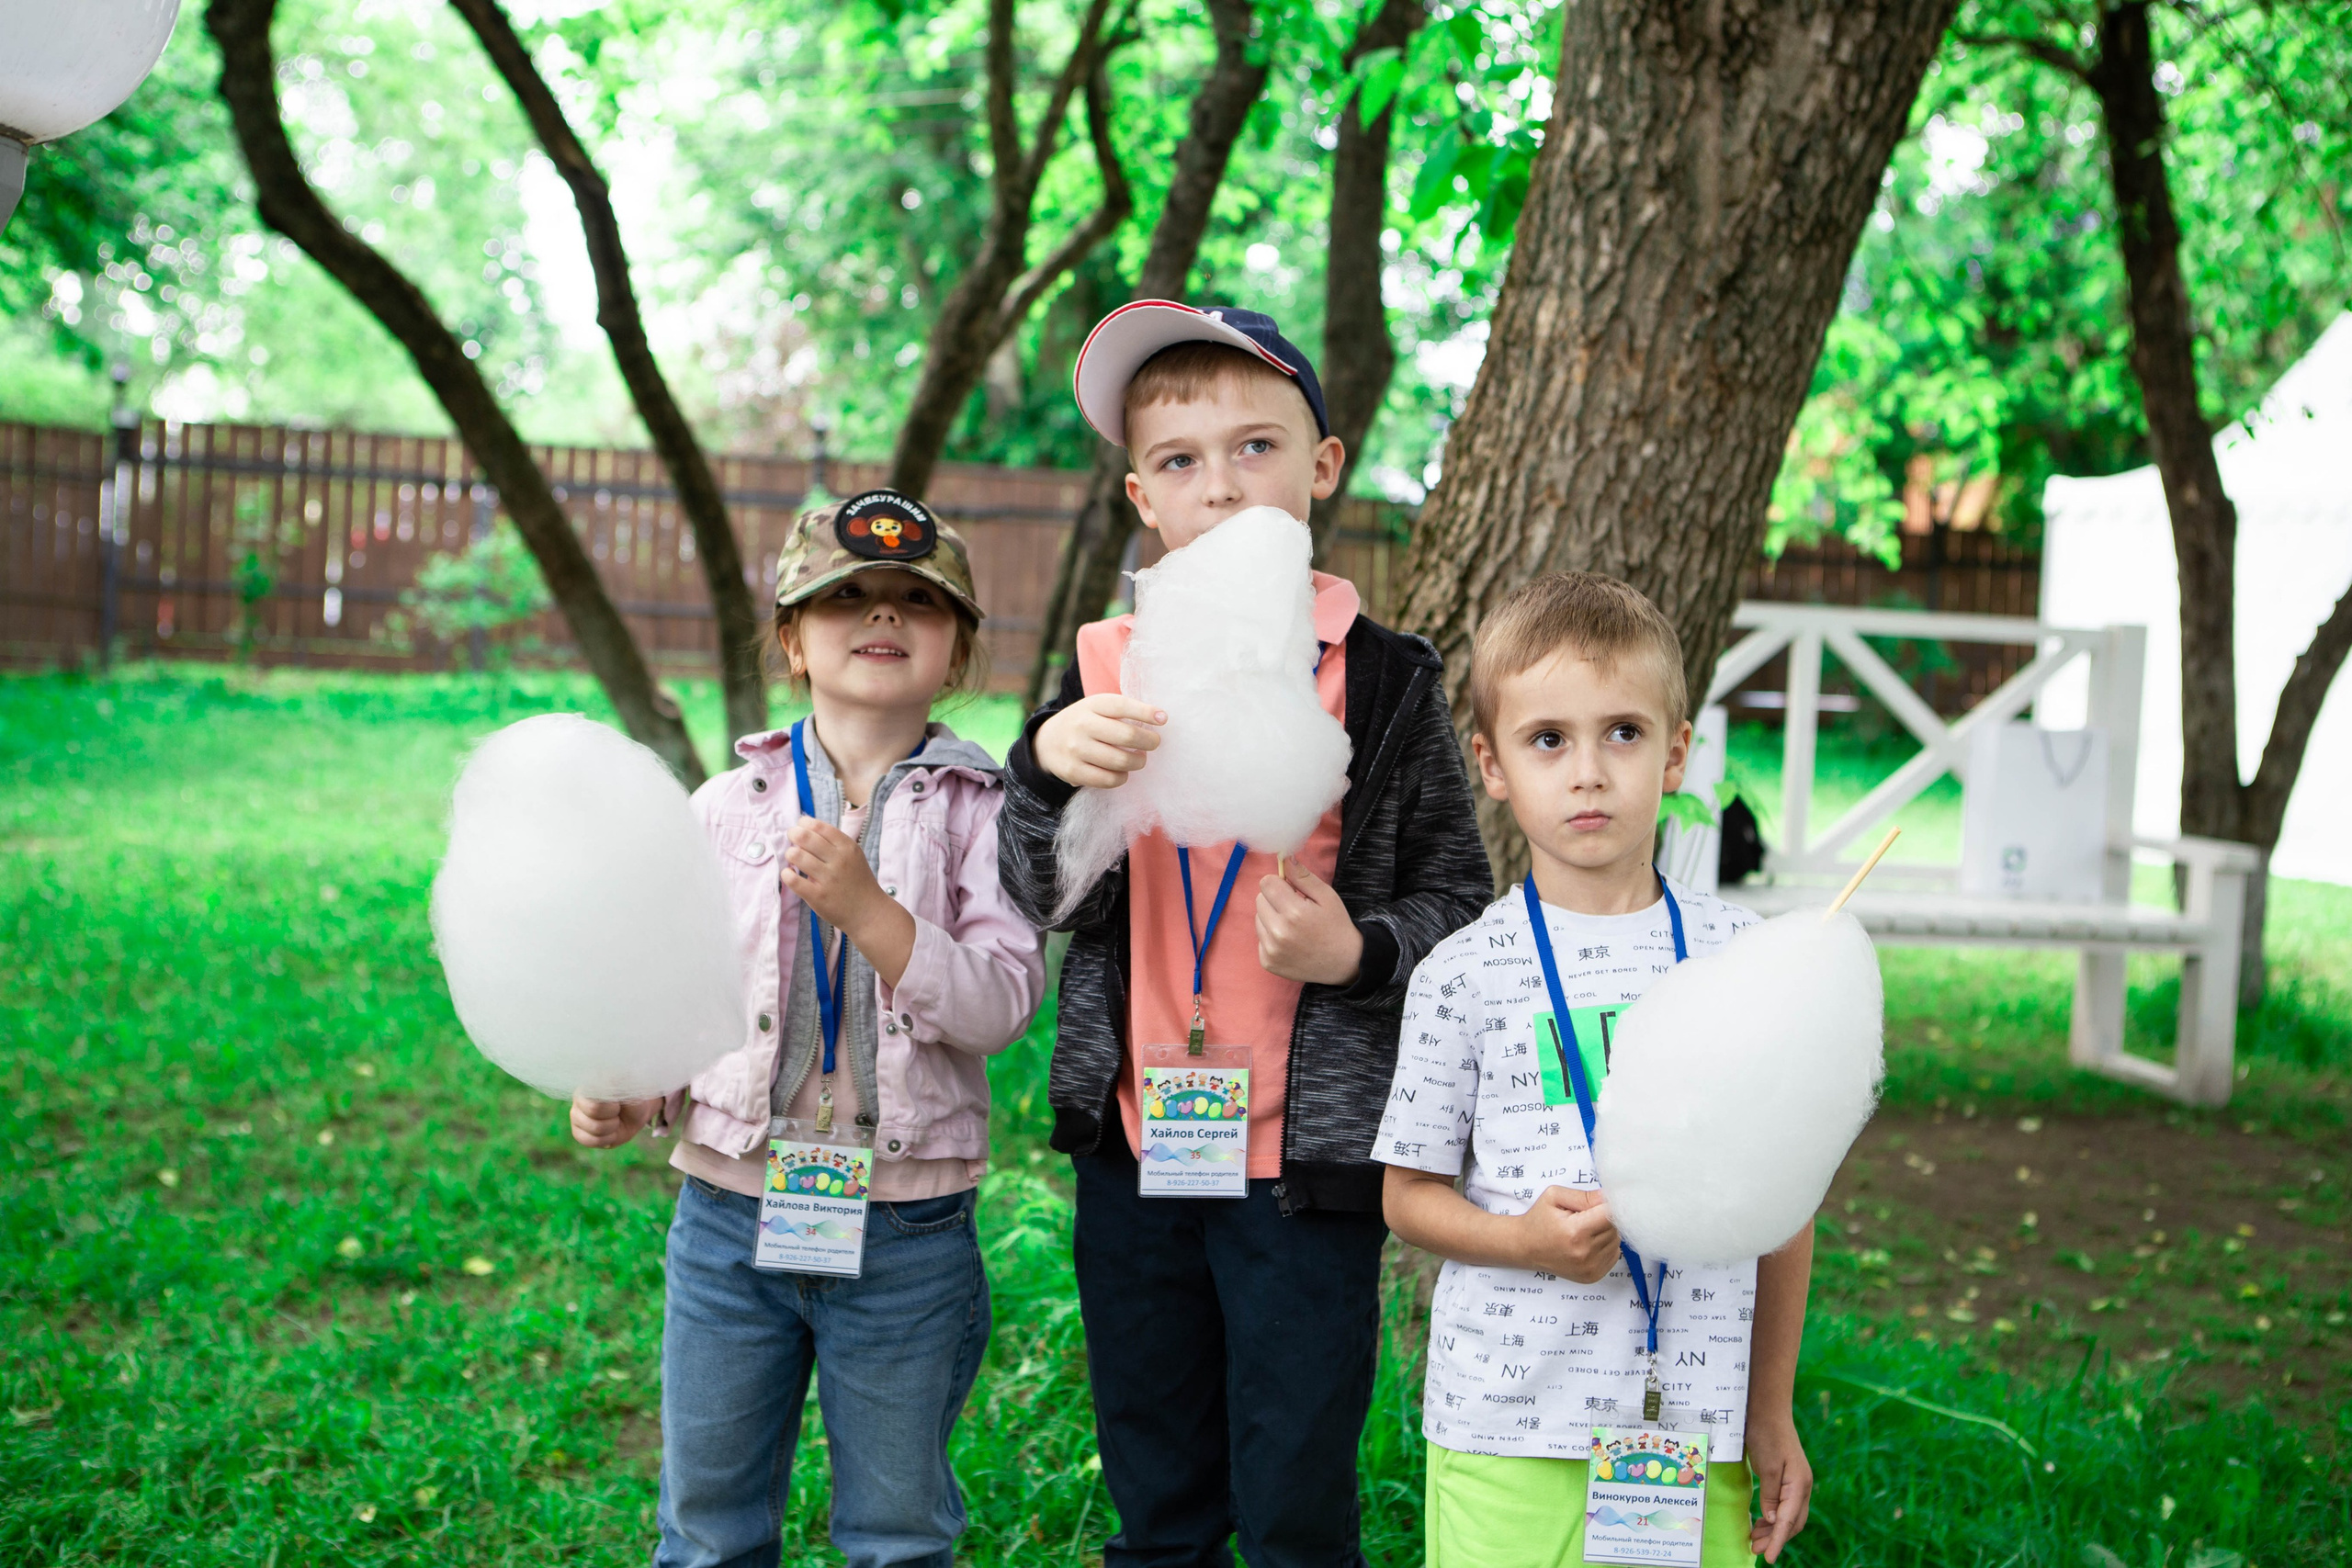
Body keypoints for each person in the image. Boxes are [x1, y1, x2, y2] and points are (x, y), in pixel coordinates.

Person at [998, 300, 1494, 1567]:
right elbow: (1037, 894)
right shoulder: (1106, 670)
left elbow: (1459, 901)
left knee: (1293, 1493)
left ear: (1321, 467)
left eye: (1255, 447)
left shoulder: (1384, 681)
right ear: (1141, 498)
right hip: (1139, 1146)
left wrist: (1357, 953)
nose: (1219, 486)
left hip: (1304, 1168)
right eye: (1179, 460)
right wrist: (1045, 771)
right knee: (1156, 1481)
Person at [571, 491, 1046, 1568]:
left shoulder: (986, 813)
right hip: (726, 1221)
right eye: (847, 597)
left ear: (958, 648)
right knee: (708, 1523)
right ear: (793, 639)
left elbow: (1001, 1005)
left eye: (917, 601)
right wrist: (634, 1085)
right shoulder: (723, 808)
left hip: (907, 1234)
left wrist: (873, 915)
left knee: (896, 1531)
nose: (882, 615)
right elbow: (676, 987)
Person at [1374, 572, 1817, 1568]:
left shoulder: (1744, 961)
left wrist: (1769, 1408)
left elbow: (1785, 1207)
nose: (1588, 773)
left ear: (1676, 753)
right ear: (1491, 765)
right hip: (1502, 1428)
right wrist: (1524, 1241)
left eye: (1623, 732)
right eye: (1547, 739)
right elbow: (1406, 1197)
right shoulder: (1461, 974)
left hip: (1691, 1433)